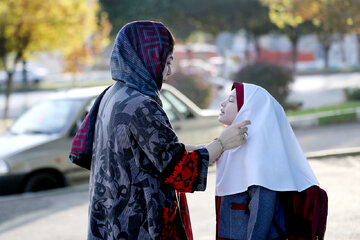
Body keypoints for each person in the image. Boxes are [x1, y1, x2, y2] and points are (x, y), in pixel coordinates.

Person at [69, 21, 250, 240]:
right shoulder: (141, 105)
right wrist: (221, 143)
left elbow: (154, 153)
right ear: (148, 57)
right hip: (139, 226)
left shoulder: (112, 95)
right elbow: (178, 167)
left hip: (111, 222)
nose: (170, 71)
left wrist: (208, 149)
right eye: (167, 61)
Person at [215, 82, 319, 240]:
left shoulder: (259, 156)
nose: (222, 103)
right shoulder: (233, 147)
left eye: (230, 100)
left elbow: (261, 213)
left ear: (249, 110)